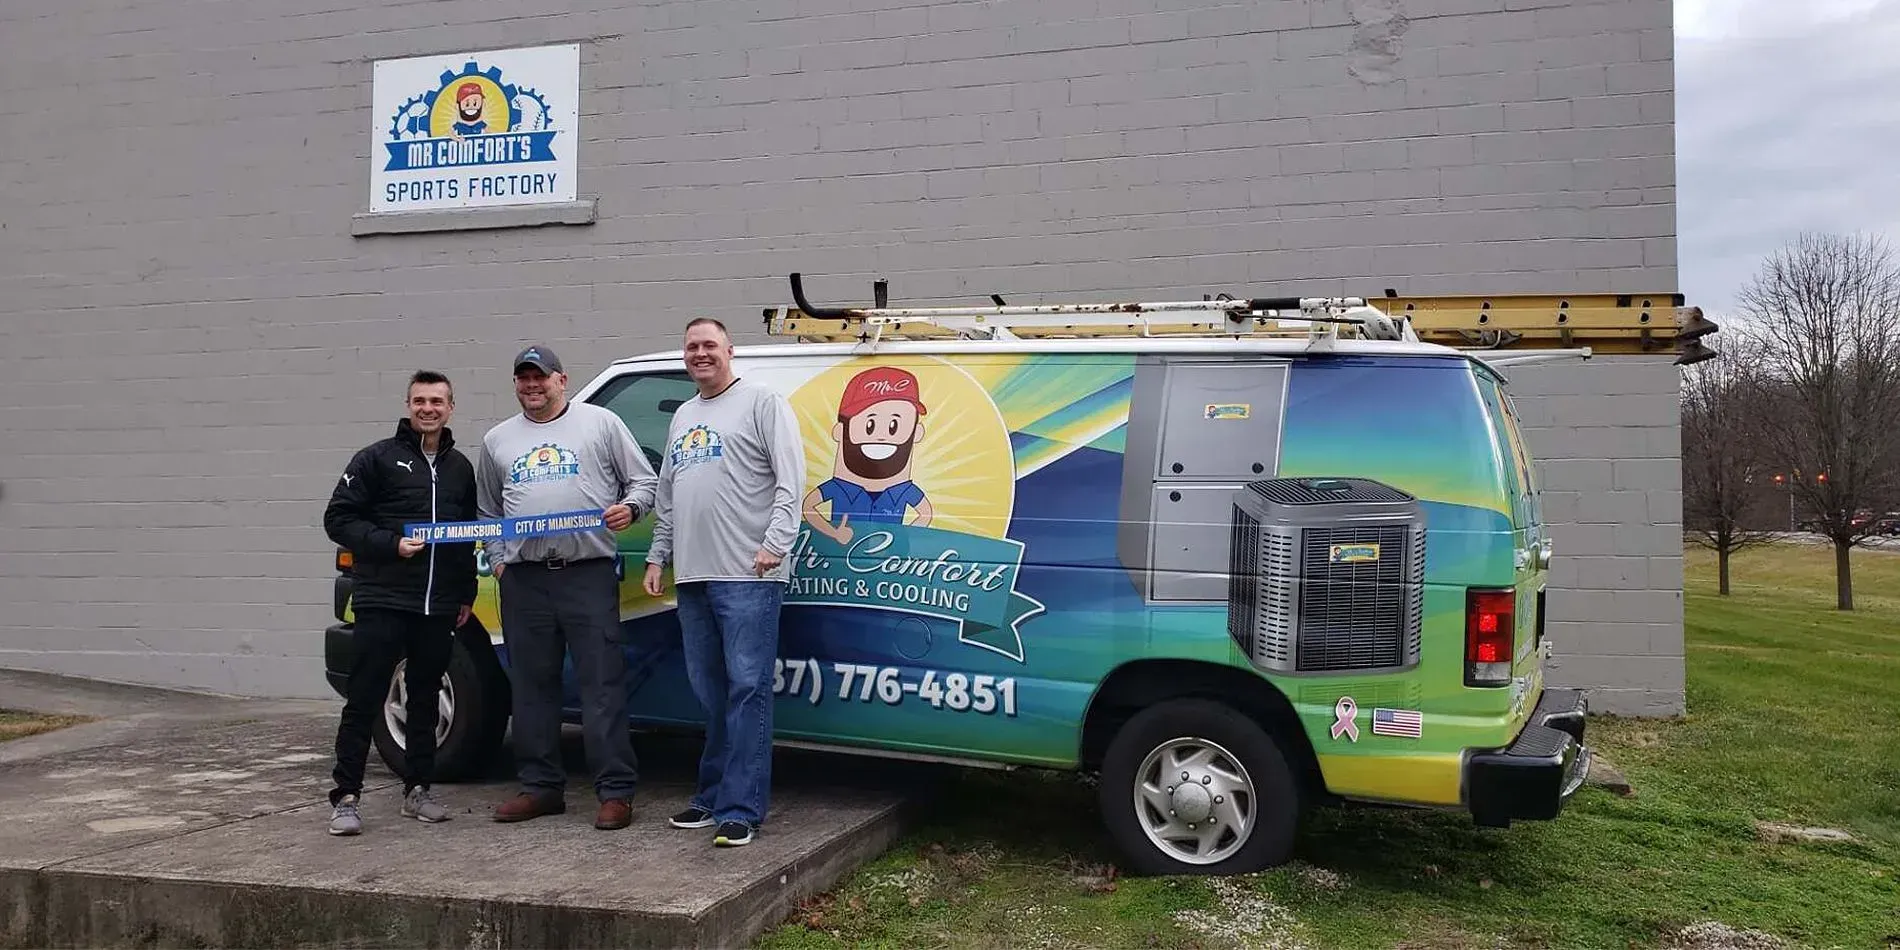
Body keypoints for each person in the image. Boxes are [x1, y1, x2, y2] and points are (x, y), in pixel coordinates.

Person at [476, 344, 657, 831]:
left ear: (562, 380)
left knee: (602, 686)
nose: (532, 386)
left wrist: (632, 509)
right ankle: (540, 788)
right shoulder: (497, 440)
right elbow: (489, 512)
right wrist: (499, 562)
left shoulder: (599, 424)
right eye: (523, 379)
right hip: (525, 581)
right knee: (531, 688)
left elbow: (644, 483)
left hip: (587, 574)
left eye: (541, 377)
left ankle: (615, 791)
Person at [643, 317, 804, 847]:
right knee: (710, 692)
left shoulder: (762, 402)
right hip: (693, 576)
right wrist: (657, 556)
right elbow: (668, 494)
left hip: (748, 574)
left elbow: (791, 478)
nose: (700, 353)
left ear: (730, 350)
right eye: (691, 346)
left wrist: (775, 544)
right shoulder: (685, 414)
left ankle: (741, 808)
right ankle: (710, 797)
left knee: (747, 690)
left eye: (709, 344)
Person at [321, 370, 479, 836]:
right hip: (383, 601)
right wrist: (389, 544)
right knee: (365, 698)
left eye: (437, 401)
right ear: (408, 405)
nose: (427, 408)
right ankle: (346, 797)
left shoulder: (460, 469)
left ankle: (418, 789)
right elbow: (338, 518)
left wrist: (464, 594)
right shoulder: (376, 459)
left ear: (451, 408)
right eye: (419, 401)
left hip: (436, 607)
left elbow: (464, 537)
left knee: (425, 699)